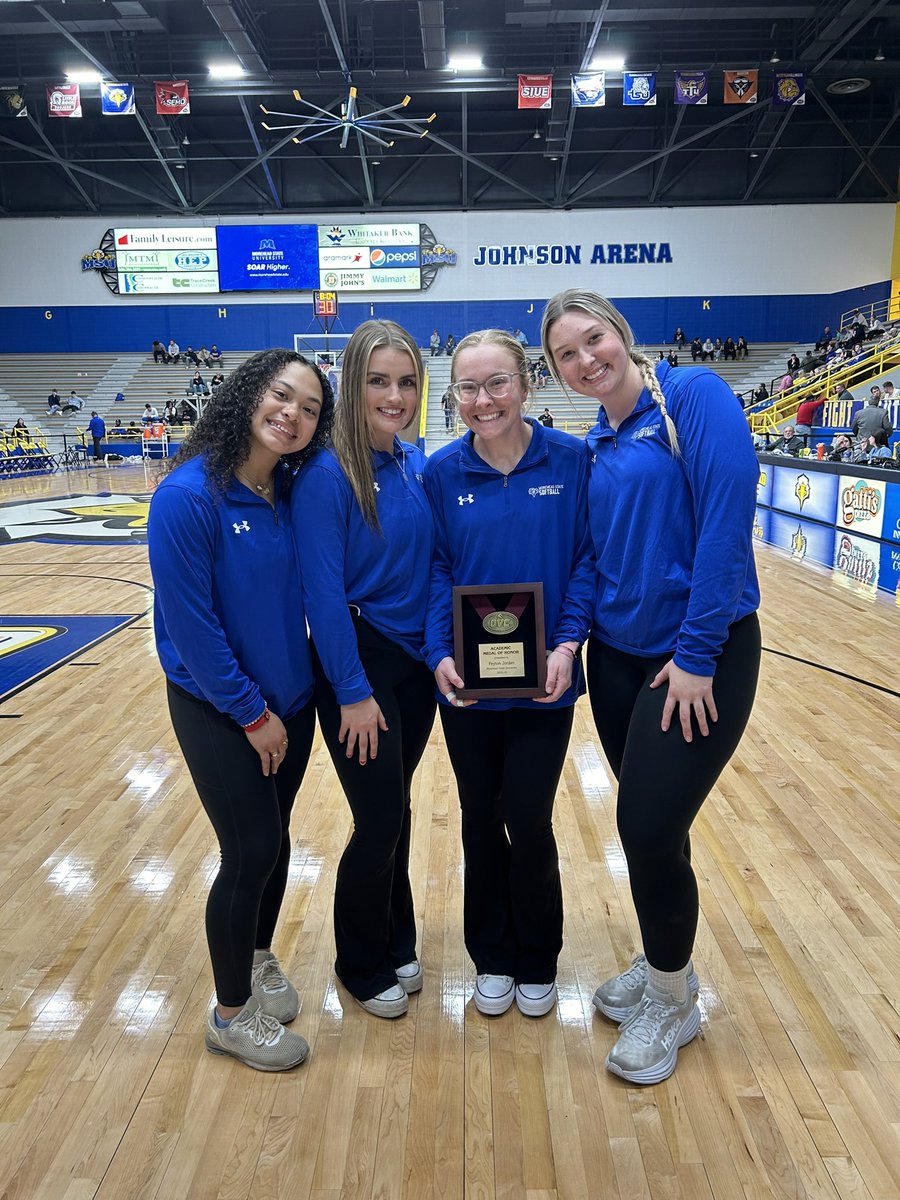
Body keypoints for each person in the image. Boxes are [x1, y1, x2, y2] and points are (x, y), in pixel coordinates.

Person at [542, 288, 761, 1085]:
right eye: (567, 354)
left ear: (621, 334)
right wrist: (572, 640)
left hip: (699, 658)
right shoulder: (598, 442)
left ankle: (674, 1000)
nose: (585, 358)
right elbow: (595, 558)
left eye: (592, 339)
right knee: (657, 827)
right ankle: (663, 959)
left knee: (642, 826)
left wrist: (699, 654)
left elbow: (727, 523)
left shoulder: (692, 397)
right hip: (620, 662)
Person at [147, 349, 333, 1072]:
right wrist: (252, 715)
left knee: (277, 841)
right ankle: (229, 1014)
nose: (293, 414)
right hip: (222, 708)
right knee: (250, 849)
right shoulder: (187, 495)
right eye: (281, 396)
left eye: (310, 408)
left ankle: (256, 959)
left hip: (291, 703)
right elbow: (192, 629)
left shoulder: (289, 488)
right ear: (248, 394)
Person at [424, 329, 593, 1020]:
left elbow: (585, 559)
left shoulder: (573, 460)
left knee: (528, 817)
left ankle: (537, 956)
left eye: (497, 383)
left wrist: (568, 644)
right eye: (469, 387)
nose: (484, 399)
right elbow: (436, 570)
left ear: (525, 385)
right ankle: (490, 956)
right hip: (467, 688)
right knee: (477, 818)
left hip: (545, 681)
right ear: (455, 395)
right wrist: (438, 650)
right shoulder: (441, 474)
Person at [293, 320, 435, 1020]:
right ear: (352, 384)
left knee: (397, 810)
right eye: (378, 380)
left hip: (412, 665)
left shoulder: (411, 461)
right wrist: (350, 692)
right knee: (378, 819)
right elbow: (321, 593)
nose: (395, 394)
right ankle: (358, 961)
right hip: (357, 663)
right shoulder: (326, 475)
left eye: (405, 381)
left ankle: (396, 934)